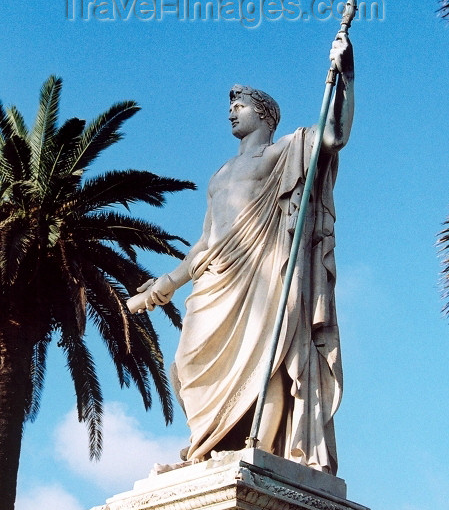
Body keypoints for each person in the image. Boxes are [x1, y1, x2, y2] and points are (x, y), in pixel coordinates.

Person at [130, 33, 354, 474]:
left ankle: (260, 451)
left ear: (265, 116)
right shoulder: (220, 173)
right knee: (186, 362)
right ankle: (207, 445)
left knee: (265, 359)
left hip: (265, 271)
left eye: (242, 105)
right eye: (231, 106)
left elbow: (333, 134)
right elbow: (204, 243)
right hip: (217, 277)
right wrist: (162, 288)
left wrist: (343, 73)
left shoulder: (284, 151)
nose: (232, 111)